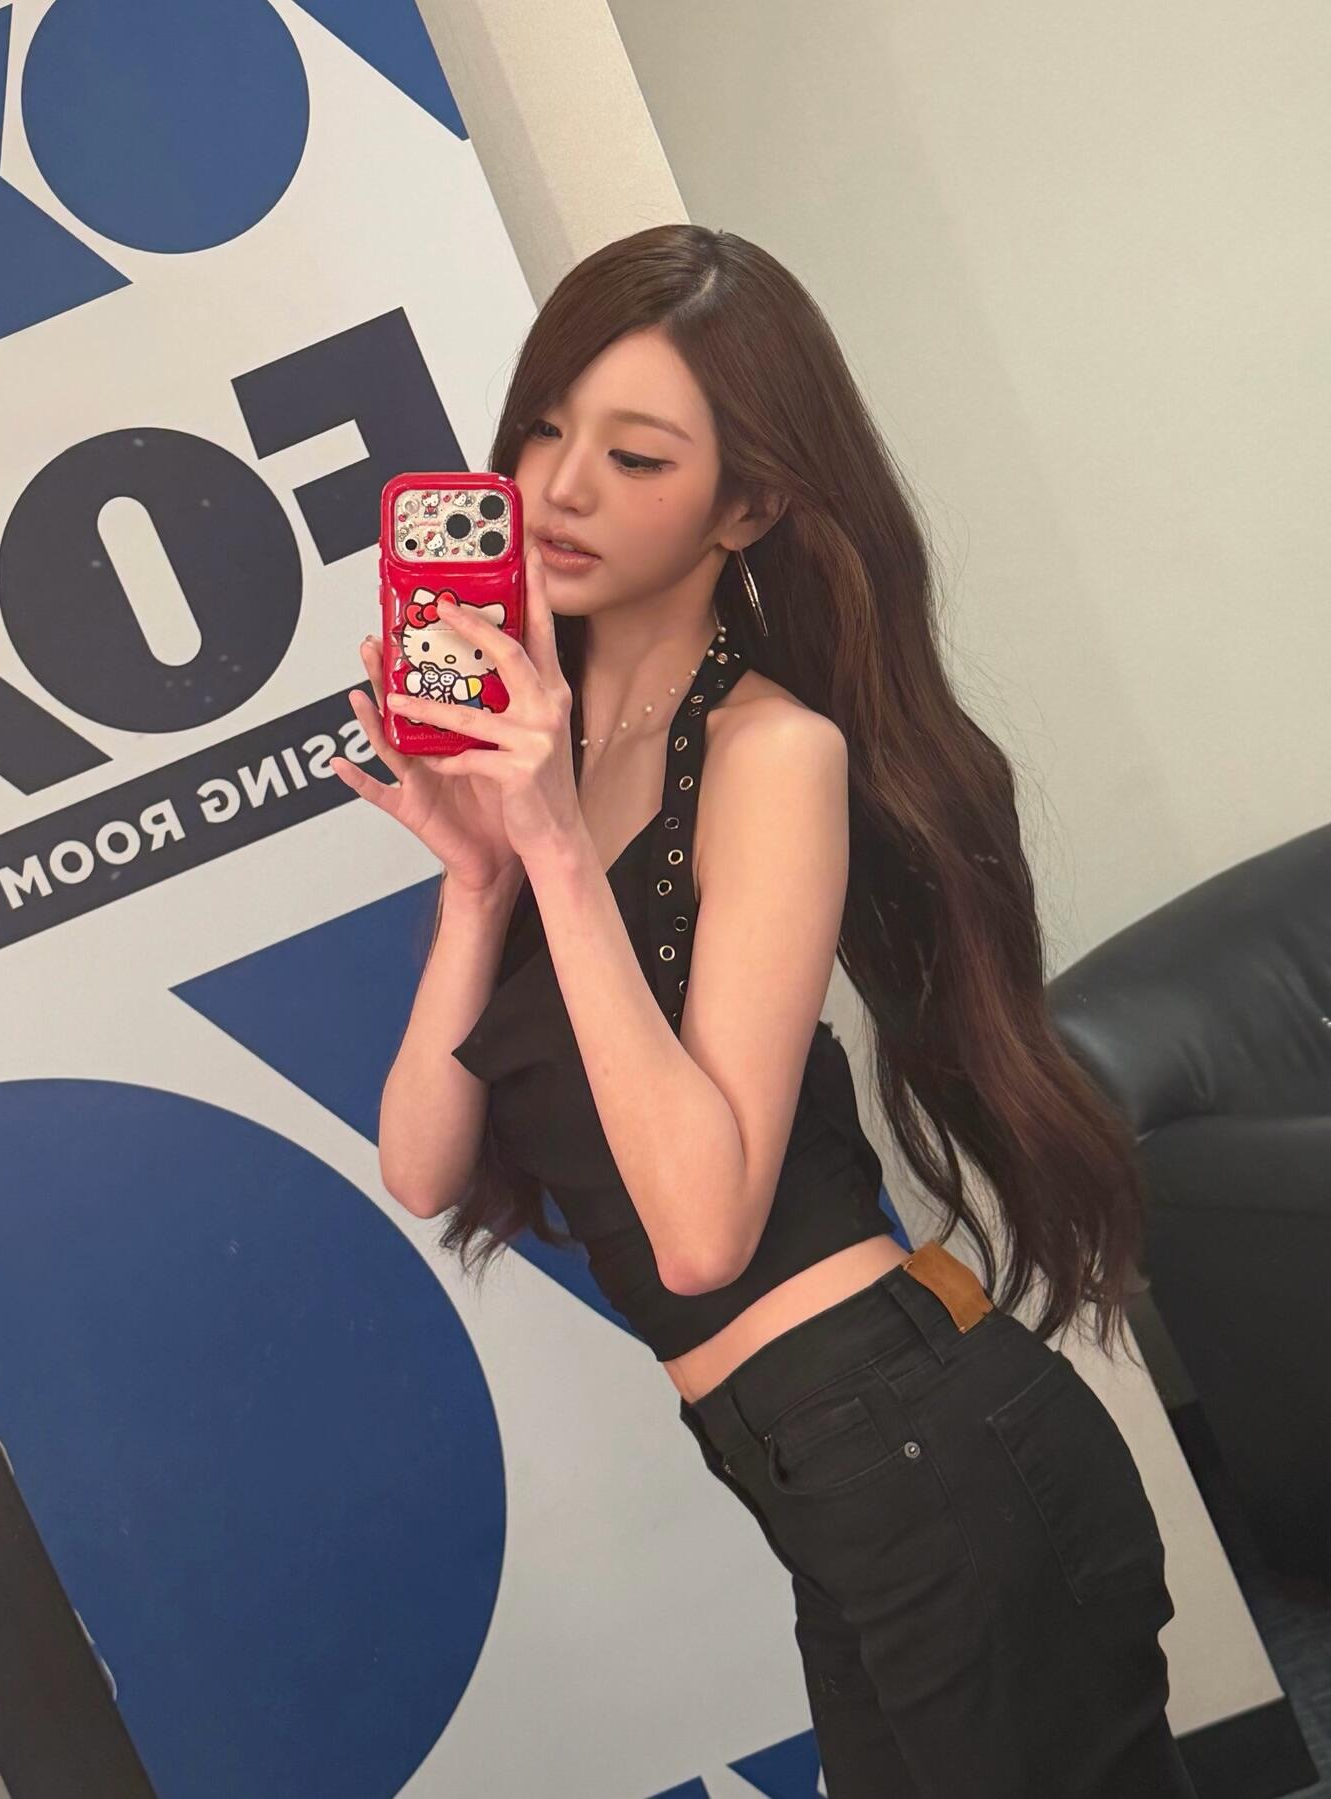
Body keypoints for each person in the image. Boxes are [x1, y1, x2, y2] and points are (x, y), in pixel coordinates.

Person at [331, 224, 1196, 1798]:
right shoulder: (549, 763)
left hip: (922, 1451)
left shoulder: (771, 755)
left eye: (635, 456)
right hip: (826, 1478)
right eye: (544, 429)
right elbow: (420, 1165)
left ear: (747, 507)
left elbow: (703, 1234)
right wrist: (481, 882)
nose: (560, 489)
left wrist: (555, 858)